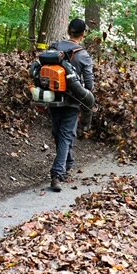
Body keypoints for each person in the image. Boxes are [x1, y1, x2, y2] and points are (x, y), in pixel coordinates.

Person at [48, 18, 94, 192]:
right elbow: (89, 85)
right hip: (73, 100)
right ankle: (57, 174)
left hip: (52, 98)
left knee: (59, 132)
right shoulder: (83, 55)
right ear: (83, 35)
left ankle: (68, 164)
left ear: (68, 30)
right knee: (66, 135)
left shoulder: (54, 48)